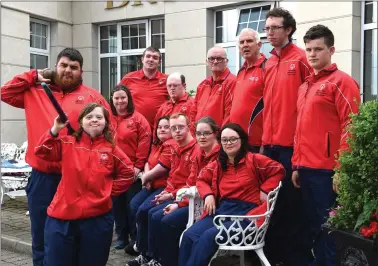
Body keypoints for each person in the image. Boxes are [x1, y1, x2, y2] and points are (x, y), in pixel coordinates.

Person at [1, 48, 111, 266]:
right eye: (63, 65)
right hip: (43, 177)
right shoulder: (34, 91)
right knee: (41, 236)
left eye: (74, 67)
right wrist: (33, 75)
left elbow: (109, 134)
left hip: (77, 179)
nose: (68, 71)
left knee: (73, 237)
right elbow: (5, 93)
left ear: (81, 72)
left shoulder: (93, 97)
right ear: (55, 67)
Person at [291, 25, 361, 266]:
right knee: (313, 226)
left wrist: (341, 169)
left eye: (318, 49)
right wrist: (296, 165)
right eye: (308, 49)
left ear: (331, 50)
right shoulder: (304, 86)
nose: (312, 54)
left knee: (329, 228)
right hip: (307, 168)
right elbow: (301, 129)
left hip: (327, 170)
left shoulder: (342, 82)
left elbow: (351, 126)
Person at [34, 103, 135, 266]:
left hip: (97, 220)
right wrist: (55, 129)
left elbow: (128, 172)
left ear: (106, 123)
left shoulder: (111, 149)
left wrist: (107, 193)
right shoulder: (68, 143)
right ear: (81, 122)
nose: (94, 120)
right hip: (62, 219)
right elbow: (41, 151)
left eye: (99, 117)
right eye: (89, 117)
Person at [179, 123, 285, 266]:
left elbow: (278, 170)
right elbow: (201, 179)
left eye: (233, 139)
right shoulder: (219, 164)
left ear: (241, 140)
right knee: (189, 235)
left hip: (246, 215)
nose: (228, 143)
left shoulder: (254, 160)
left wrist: (265, 189)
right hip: (222, 211)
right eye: (225, 140)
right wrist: (208, 195)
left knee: (207, 237)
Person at [262, 7, 312, 265]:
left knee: (293, 205)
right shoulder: (268, 61)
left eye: (275, 28)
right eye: (267, 28)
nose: (269, 32)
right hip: (269, 145)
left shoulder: (302, 59)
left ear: (288, 30)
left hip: (291, 145)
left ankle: (295, 257)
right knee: (273, 203)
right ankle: (274, 255)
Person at [127, 113, 197, 266]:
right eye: (174, 128)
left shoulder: (195, 150)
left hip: (186, 197)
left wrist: (170, 194)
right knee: (145, 211)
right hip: (171, 191)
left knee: (156, 217)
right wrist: (168, 191)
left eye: (180, 127)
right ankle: (147, 255)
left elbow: (192, 182)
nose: (176, 131)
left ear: (189, 127)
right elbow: (173, 176)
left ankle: (160, 259)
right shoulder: (176, 147)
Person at [156, 116, 220, 266]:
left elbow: (207, 184)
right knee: (155, 215)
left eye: (206, 133)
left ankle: (169, 261)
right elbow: (193, 181)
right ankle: (158, 258)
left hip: (208, 205)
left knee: (167, 222)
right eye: (199, 134)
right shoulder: (199, 153)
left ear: (215, 134)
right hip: (193, 200)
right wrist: (176, 201)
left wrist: (178, 203)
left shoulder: (220, 156)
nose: (202, 137)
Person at [109, 84, 152, 252]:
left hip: (132, 172)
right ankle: (121, 236)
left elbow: (144, 144)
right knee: (116, 205)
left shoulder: (139, 119)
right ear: (112, 100)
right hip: (113, 171)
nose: (120, 101)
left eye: (123, 97)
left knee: (131, 205)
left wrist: (137, 167)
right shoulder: (107, 118)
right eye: (117, 98)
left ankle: (135, 239)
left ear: (128, 99)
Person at [128, 115, 174, 257]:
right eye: (160, 127)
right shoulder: (156, 144)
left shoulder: (171, 144)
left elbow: (163, 167)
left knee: (144, 210)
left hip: (164, 186)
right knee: (134, 204)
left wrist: (146, 177)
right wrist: (147, 177)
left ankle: (144, 249)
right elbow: (148, 161)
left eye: (166, 127)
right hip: (151, 184)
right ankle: (138, 241)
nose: (162, 129)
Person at [230, 28, 266, 152]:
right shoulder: (241, 71)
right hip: (237, 139)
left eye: (249, 41)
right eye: (241, 42)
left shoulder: (266, 68)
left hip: (257, 142)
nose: (245, 45)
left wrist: (265, 142)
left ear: (259, 45)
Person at [119, 46, 168, 128]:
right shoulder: (129, 78)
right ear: (142, 59)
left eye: (155, 58)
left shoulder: (167, 80)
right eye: (148, 56)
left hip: (159, 130)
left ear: (159, 62)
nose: (151, 59)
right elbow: (116, 99)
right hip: (134, 128)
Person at [189, 47, 235, 131]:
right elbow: (193, 112)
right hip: (200, 137)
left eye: (219, 58)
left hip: (217, 138)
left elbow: (229, 115)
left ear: (226, 61)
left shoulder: (232, 82)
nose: (215, 61)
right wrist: (193, 134)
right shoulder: (203, 85)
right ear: (207, 62)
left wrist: (221, 137)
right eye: (211, 59)